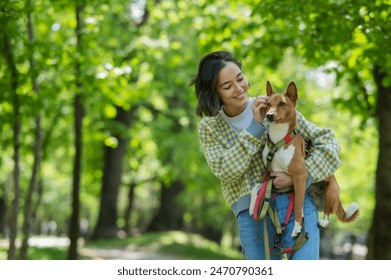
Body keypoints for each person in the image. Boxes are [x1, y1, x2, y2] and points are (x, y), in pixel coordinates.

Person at [190, 50, 341, 260]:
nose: (239, 88)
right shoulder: (211, 127)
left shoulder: (275, 106)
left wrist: (301, 176)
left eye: (240, 78)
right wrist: (255, 127)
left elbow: (329, 143)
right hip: (253, 215)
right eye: (227, 86)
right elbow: (225, 170)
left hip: (296, 203)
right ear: (215, 93)